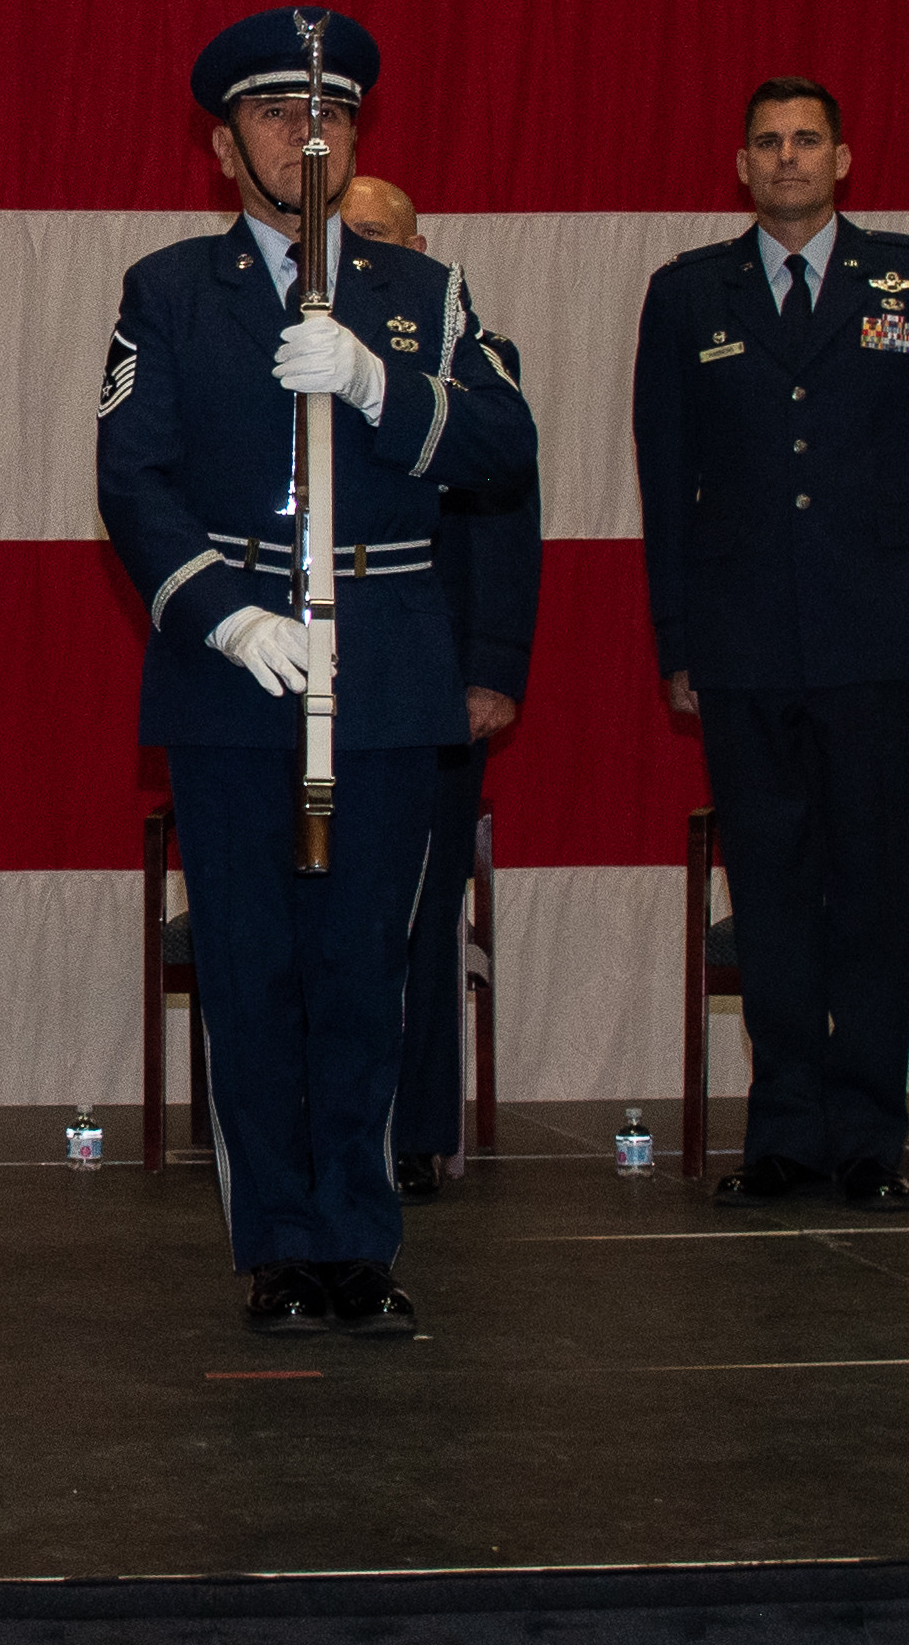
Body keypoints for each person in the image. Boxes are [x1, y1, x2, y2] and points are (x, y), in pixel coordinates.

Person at [98, 8, 536, 1336]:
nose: (309, 133)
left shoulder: (423, 294)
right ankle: (277, 1243)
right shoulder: (172, 290)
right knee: (251, 969)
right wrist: (225, 617)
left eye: (331, 113)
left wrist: (374, 387)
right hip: (238, 677)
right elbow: (133, 477)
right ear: (223, 139)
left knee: (365, 967)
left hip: (389, 669)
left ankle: (357, 1234)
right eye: (280, 114)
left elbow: (504, 449)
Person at [630, 78, 909, 1215]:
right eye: (767, 143)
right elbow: (666, 485)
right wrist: (678, 638)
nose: (787, 158)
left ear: (844, 156)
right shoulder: (689, 294)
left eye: (806, 140)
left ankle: (870, 1134)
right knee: (774, 891)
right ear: (741, 165)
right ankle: (785, 1126)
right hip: (742, 641)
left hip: (880, 633)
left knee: (871, 889)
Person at [343, 176, 537, 1199]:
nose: (364, 250)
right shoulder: (290, 351)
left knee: (420, 918)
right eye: (345, 235)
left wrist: (494, 668)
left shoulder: (470, 360)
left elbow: (506, 516)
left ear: (423, 245)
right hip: (304, 685)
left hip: (434, 685)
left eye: (380, 235)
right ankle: (313, 1125)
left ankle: (412, 1129)